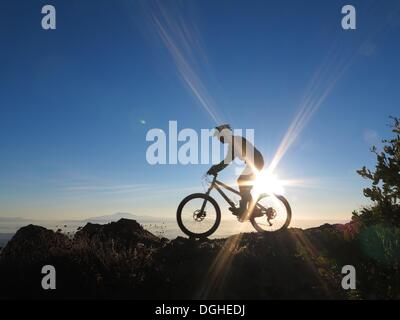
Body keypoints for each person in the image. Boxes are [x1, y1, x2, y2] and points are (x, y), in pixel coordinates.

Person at [207, 124, 264, 218]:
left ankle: (244, 210)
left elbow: (227, 161)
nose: (218, 138)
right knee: (244, 186)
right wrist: (215, 168)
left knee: (242, 181)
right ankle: (252, 209)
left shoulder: (235, 141)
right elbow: (227, 160)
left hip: (256, 162)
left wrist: (215, 169)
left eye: (218, 136)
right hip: (254, 162)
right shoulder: (232, 142)